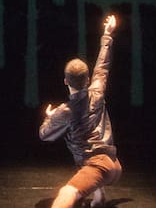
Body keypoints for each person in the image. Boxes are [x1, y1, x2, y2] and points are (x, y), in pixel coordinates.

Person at [39, 14, 122, 208]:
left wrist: (49, 118)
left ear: (65, 81)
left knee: (67, 192)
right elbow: (102, 67)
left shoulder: (65, 111)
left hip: (98, 166)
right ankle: (99, 197)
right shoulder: (97, 91)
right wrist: (107, 35)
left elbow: (44, 135)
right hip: (114, 165)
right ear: (87, 80)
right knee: (83, 156)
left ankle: (97, 191)